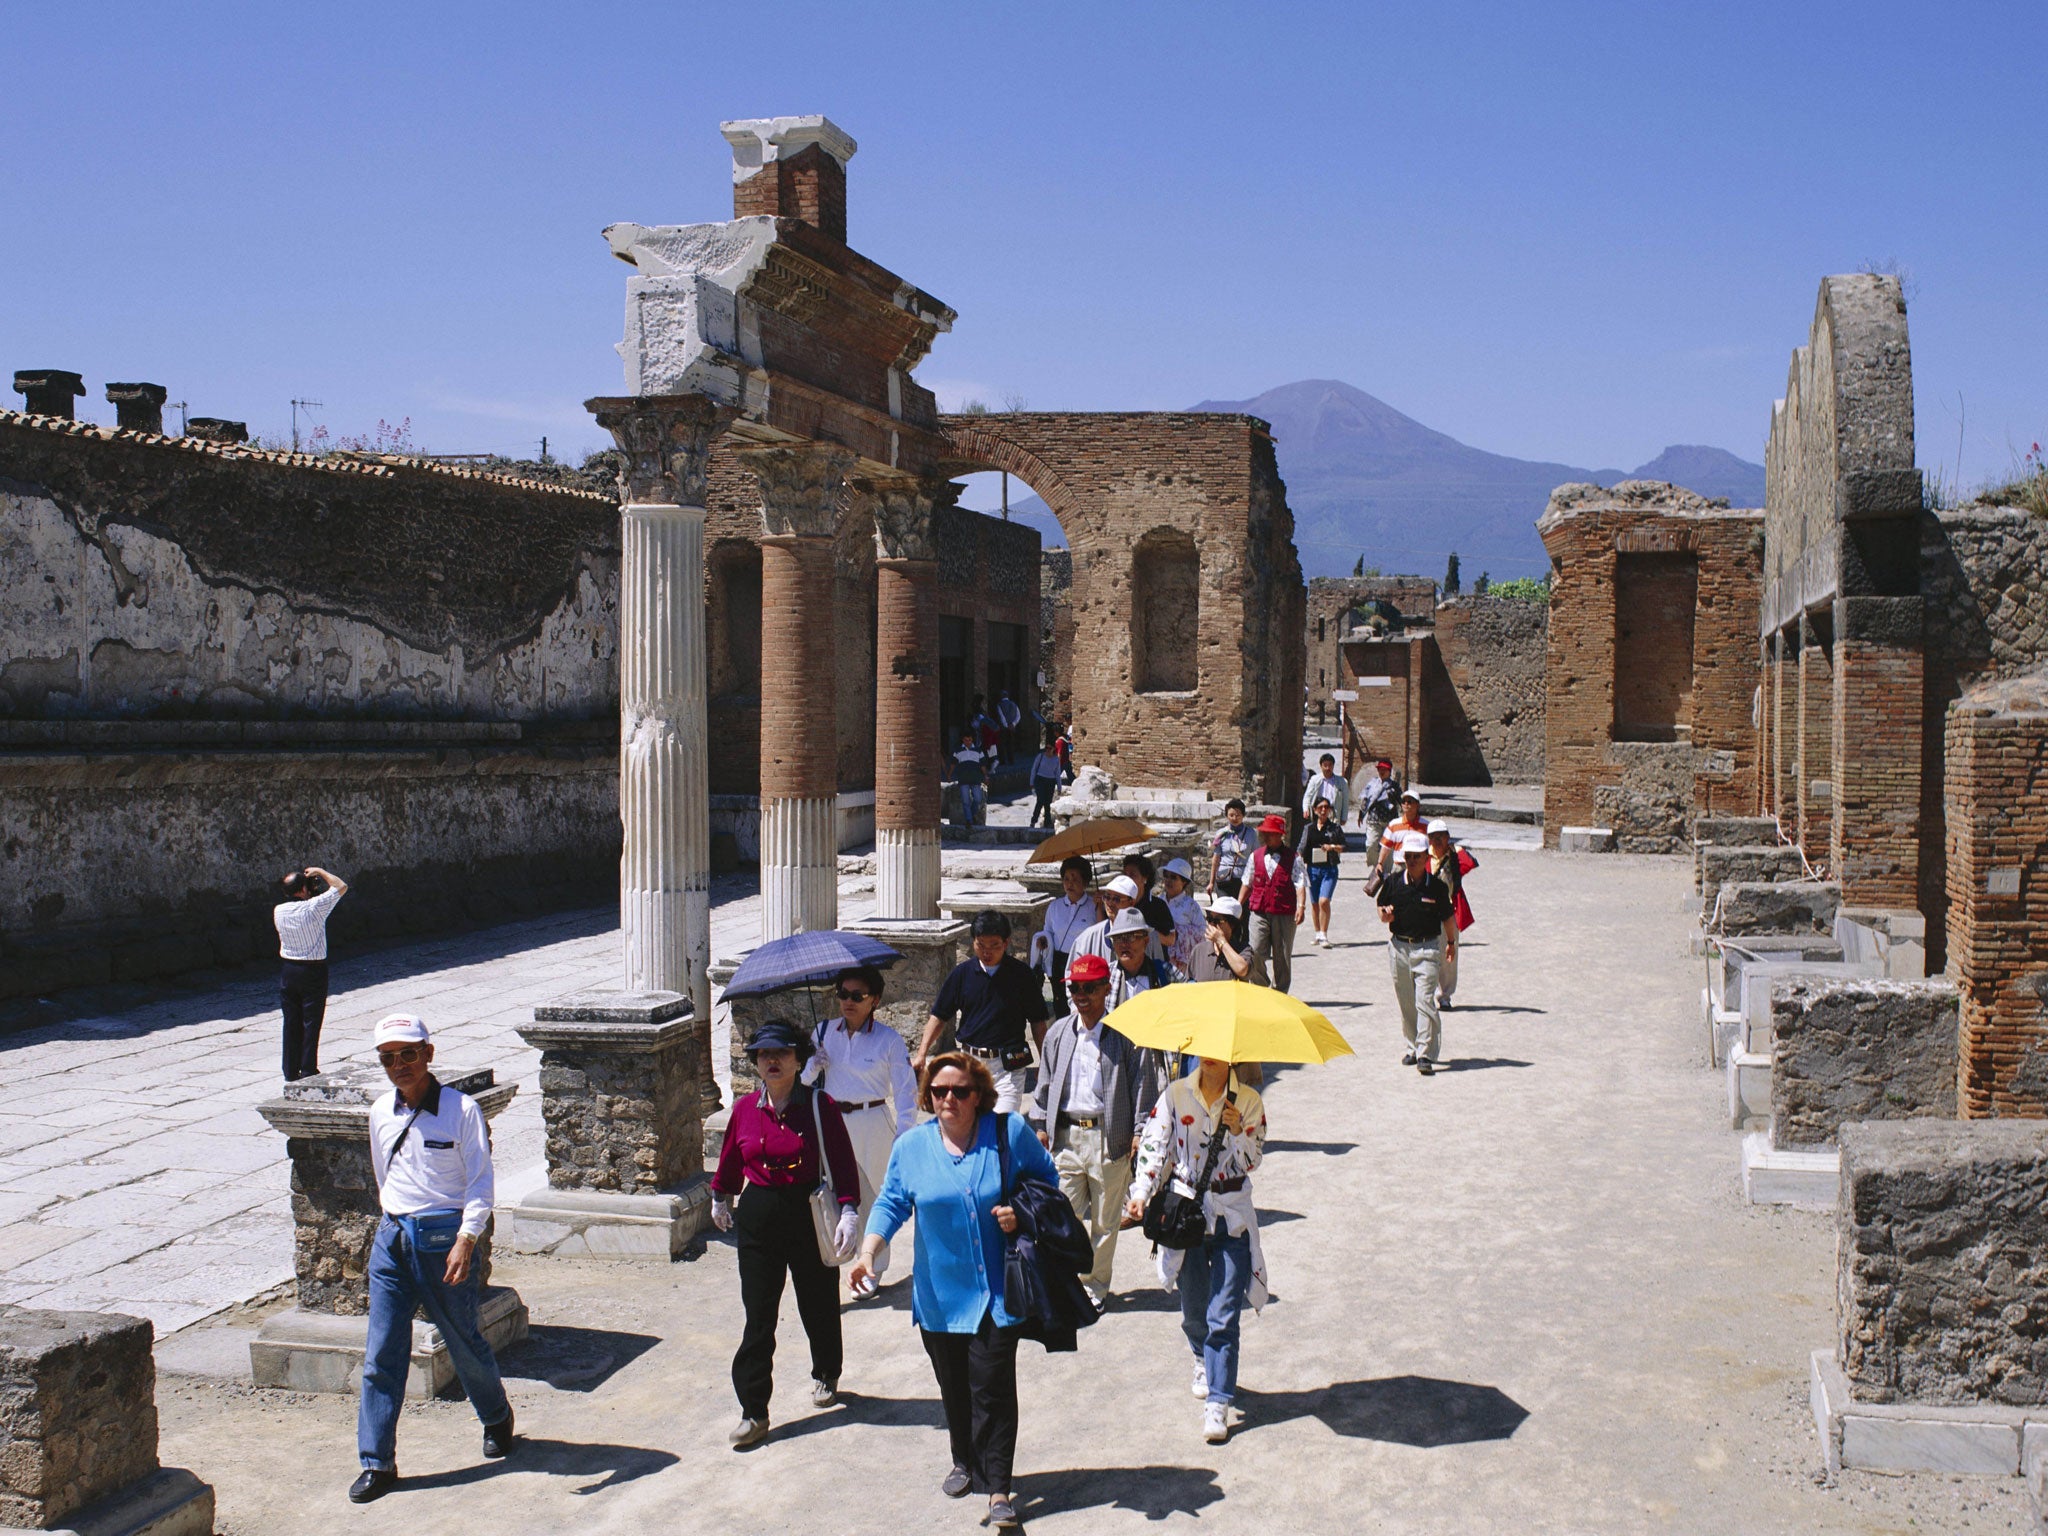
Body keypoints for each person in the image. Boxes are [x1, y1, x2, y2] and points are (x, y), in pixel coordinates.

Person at [850, 1052, 1060, 1529]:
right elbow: (891, 1202)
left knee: (994, 1389)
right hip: (939, 1298)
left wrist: (1021, 1214)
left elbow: (1048, 1184)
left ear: (979, 1096)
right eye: (939, 1091)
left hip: (996, 1295)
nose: (948, 1099)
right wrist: (867, 1253)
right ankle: (963, 1459)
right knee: (955, 1388)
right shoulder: (913, 1147)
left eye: (960, 1091)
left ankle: (999, 1489)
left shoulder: (1009, 1135)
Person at [349, 1014, 513, 1503]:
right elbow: (386, 1176)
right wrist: (394, 1224)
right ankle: (377, 1462)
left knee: (464, 1341)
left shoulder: (462, 1111)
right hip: (393, 1237)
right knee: (381, 1352)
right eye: (388, 1058)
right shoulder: (381, 1111)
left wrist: (466, 1238)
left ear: (429, 1054)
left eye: (408, 1054)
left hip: (445, 1239)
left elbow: (479, 1182)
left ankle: (497, 1416)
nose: (399, 1065)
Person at [711, 1020, 863, 1445]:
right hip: (759, 1216)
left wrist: (849, 1210)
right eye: (763, 1054)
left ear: (800, 1059)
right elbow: (729, 1160)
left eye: (780, 1053)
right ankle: (753, 1411)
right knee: (758, 1315)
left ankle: (826, 1371)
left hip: (806, 1211)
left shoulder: (819, 1105)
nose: (772, 1061)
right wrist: (721, 1196)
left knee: (817, 1303)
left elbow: (842, 1162)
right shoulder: (744, 1110)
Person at [1125, 1056, 1269, 1445]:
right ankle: (1201, 1358)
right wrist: (1140, 1193)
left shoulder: (1250, 1101)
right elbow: (1156, 1147)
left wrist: (1238, 1131)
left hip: (1232, 1215)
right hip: (1187, 1217)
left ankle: (1219, 1401)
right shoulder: (1174, 1095)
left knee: (1224, 1312)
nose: (1210, 1055)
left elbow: (1252, 1159)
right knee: (1193, 1308)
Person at [1027, 954, 1151, 1308]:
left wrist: (1140, 1131)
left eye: (1089, 988)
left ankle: (1093, 1287)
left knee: (1104, 1221)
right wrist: (1040, 1126)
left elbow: (1143, 1086)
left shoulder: (1125, 1035)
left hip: (1108, 1137)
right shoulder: (1058, 1033)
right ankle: (1064, 1280)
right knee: (1059, 1215)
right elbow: (1046, 1085)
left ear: (1105, 989)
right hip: (1066, 1137)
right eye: (1075, 988)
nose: (1081, 995)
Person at [804, 966, 918, 1297]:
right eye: (843, 994)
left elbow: (906, 1095)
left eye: (857, 996)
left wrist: (903, 1139)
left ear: (875, 1000)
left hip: (872, 1119)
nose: (848, 1002)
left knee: (872, 1196)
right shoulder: (823, 1033)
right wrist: (814, 1065)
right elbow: (799, 1083)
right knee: (833, 1194)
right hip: (832, 1122)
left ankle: (872, 1266)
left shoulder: (889, 1040)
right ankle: (834, 1256)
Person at [919, 912, 1051, 1112]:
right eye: (981, 945)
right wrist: (921, 1053)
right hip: (971, 1062)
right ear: (973, 942)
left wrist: (1045, 1063)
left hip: (1009, 1065)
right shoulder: (961, 975)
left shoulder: (1021, 975)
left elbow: (1038, 1022)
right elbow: (939, 1016)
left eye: (994, 945)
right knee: (970, 1124)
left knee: (1001, 1124)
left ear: (1006, 943)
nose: (987, 952)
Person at [1375, 831, 1457, 1075]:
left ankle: (1425, 1053)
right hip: (1399, 948)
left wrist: (1451, 942)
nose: (1412, 861)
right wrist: (1385, 915)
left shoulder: (1438, 888)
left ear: (1425, 858)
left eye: (1416, 857)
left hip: (1428, 948)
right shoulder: (1393, 883)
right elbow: (1381, 908)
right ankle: (1411, 1047)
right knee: (1406, 1001)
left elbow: (1448, 918)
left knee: (1424, 1001)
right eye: (1408, 856)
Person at [275, 865, 349, 1082]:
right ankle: (307, 1068)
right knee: (311, 1021)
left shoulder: (278, 910)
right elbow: (341, 886)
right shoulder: (314, 908)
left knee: (291, 1021)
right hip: (312, 970)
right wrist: (320, 872)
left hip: (288, 970)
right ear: (302, 891)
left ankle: (290, 1070)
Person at [1241, 814, 1306, 994]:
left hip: (1284, 912)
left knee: (1282, 956)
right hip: (1259, 910)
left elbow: (1300, 884)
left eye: (1271, 833)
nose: (1266, 837)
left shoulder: (1294, 858)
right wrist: (1238, 906)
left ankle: (1280, 992)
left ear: (1280, 835)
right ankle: (1261, 988)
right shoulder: (1256, 856)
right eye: (1265, 833)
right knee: (1254, 950)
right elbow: (1247, 882)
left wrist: (1301, 907)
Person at [1039, 856, 1103, 1014]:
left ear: (1085, 881)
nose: (1070, 883)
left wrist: (1100, 907)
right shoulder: (1055, 906)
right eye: (1066, 879)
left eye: (1075, 879)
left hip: (1084, 962)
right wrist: (1042, 940)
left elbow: (1101, 930)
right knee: (1061, 1004)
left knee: (1083, 1002)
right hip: (1060, 961)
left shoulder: (1093, 905)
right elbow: (1048, 931)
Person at [1072, 874, 1163, 967]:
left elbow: (1160, 971)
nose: (1110, 903)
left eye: (1116, 899)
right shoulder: (1088, 937)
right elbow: (1073, 974)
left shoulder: (1150, 936)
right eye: (1107, 897)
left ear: (1131, 902)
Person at [1426, 820, 1467, 1010]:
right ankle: (1427, 993)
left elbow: (1471, 862)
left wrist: (1455, 850)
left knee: (1449, 955)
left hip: (1449, 911)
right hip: (1426, 912)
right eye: (1433, 837)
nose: (1437, 840)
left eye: (1441, 835)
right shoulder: (1423, 857)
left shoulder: (1455, 858)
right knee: (1426, 954)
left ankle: (1445, 995)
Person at [1297, 796, 1347, 947]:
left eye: (1326, 807)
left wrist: (1332, 847)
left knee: (1323, 900)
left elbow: (1344, 846)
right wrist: (1298, 858)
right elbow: (1302, 846)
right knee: (1314, 904)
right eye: (1320, 807)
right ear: (1315, 810)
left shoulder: (1335, 828)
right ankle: (1318, 933)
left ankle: (1324, 935)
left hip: (1329, 869)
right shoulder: (1309, 828)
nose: (1324, 810)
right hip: (1312, 869)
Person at [1159, 857, 1208, 971]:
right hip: (1160, 957)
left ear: (1184, 882)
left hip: (1182, 965)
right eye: (1166, 875)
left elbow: (1202, 933)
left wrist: (1178, 932)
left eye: (1173, 877)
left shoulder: (1191, 906)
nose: (1168, 880)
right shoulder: (1158, 902)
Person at [1375, 789, 1428, 877]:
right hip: (1399, 867)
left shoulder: (1426, 826)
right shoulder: (1394, 824)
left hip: (1419, 867)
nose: (1406, 804)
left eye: (1410, 802)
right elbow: (1385, 846)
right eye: (1404, 801)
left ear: (1417, 805)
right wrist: (1380, 863)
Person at [1207, 799, 1254, 899]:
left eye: (1238, 815)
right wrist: (1211, 882)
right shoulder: (1221, 833)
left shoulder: (1251, 833)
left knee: (1242, 911)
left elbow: (1256, 856)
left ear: (1243, 815)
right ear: (1227, 816)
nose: (1234, 818)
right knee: (1225, 910)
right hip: (1224, 878)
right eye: (1231, 815)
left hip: (1243, 878)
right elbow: (1216, 859)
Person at [950, 729, 989, 829]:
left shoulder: (978, 751)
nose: (968, 742)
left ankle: (971, 814)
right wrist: (949, 775)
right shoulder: (957, 751)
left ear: (972, 740)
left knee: (978, 799)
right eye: (966, 740)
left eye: (970, 740)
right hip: (963, 779)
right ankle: (969, 820)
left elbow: (983, 765)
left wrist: (986, 776)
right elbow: (953, 764)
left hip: (976, 779)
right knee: (965, 801)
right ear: (963, 740)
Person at [1026, 730, 1065, 830]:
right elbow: (1034, 769)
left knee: (1048, 803)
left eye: (1049, 748)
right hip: (1040, 780)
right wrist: (1031, 782)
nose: (1047, 750)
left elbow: (1057, 774)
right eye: (1046, 748)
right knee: (1040, 801)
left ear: (1053, 749)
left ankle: (1047, 822)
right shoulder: (1041, 756)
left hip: (1050, 781)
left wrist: (1059, 787)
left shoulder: (1056, 759)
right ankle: (1033, 820)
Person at [1300, 752, 1349, 825]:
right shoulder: (1314, 780)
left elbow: (1345, 800)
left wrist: (1344, 817)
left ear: (1333, 766)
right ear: (1321, 766)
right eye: (1325, 765)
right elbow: (1308, 795)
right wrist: (1305, 809)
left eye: (1330, 765)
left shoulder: (1342, 782)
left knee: (1332, 834)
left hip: (1333, 813)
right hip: (1318, 812)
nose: (1327, 768)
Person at [1356, 758, 1400, 839]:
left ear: (1389, 771)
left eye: (1384, 769)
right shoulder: (1372, 784)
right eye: (1380, 769)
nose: (1382, 771)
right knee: (1371, 845)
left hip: (1389, 820)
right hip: (1373, 819)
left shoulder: (1394, 786)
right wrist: (1361, 815)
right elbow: (1365, 799)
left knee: (1387, 847)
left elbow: (1401, 802)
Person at [996, 689, 1024, 763]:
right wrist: (1013, 724)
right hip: (1012, 728)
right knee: (1010, 744)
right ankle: (1011, 760)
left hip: (1003, 728)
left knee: (1001, 744)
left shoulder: (999, 705)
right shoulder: (1014, 704)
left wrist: (1006, 725)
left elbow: (1001, 715)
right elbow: (1018, 716)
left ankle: (1002, 761)